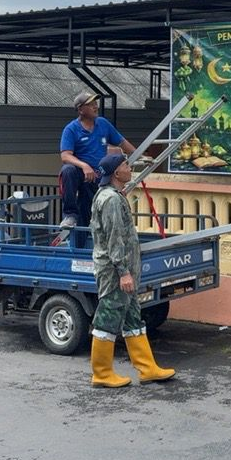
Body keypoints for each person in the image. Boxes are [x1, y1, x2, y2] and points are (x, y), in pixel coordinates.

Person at [88, 154, 176, 387]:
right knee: (108, 319)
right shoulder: (111, 200)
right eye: (126, 165)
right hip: (114, 272)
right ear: (117, 173)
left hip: (122, 270)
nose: (130, 168)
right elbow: (114, 239)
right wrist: (123, 272)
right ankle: (102, 373)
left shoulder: (114, 196)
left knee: (133, 318)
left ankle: (147, 369)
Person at [60, 91, 137, 227]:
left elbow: (122, 142)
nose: (95, 107)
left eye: (95, 104)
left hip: (99, 174)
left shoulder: (103, 124)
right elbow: (65, 156)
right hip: (81, 173)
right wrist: (84, 166)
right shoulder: (71, 129)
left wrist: (139, 155)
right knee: (68, 170)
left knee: (88, 209)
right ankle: (70, 215)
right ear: (80, 110)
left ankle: (87, 235)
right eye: (90, 105)